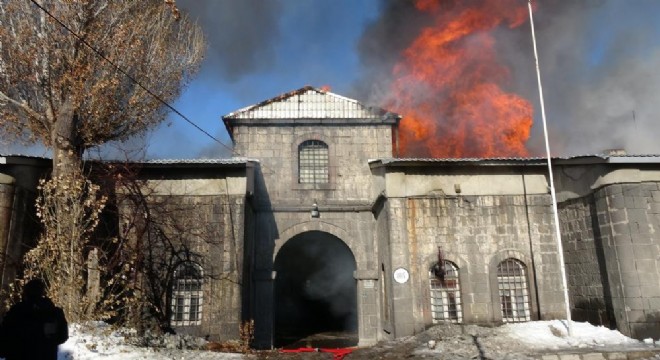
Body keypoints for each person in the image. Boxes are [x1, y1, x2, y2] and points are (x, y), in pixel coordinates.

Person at [0, 279, 69, 360]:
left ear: (26, 293)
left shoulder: (16, 312)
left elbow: (4, 336)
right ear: (43, 292)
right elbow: (62, 336)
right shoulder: (54, 312)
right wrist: (48, 344)